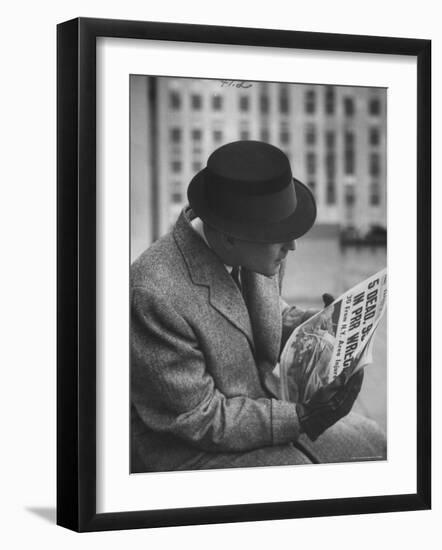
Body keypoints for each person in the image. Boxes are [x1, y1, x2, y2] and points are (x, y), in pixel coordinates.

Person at [130, 140, 386, 473]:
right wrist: (302, 416)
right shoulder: (154, 292)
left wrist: (316, 325)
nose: (291, 246)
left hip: (261, 407)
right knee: (319, 484)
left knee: (376, 443)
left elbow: (260, 317)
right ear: (228, 235)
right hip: (190, 449)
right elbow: (198, 418)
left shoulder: (256, 252)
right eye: (279, 234)